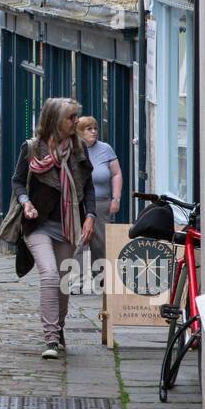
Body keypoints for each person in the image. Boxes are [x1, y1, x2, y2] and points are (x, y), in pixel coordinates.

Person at [11, 97, 96, 359]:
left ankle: (59, 328)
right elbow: (17, 182)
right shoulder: (32, 148)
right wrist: (25, 203)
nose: (75, 122)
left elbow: (89, 186)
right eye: (71, 118)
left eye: (75, 117)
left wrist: (90, 215)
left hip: (68, 226)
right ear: (55, 120)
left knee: (63, 283)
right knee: (48, 275)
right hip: (38, 224)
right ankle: (50, 338)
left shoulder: (79, 149)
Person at [76, 117, 122, 294]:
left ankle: (101, 280)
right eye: (88, 128)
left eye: (95, 128)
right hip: (78, 205)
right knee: (79, 242)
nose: (94, 131)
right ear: (79, 131)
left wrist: (115, 199)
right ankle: (76, 281)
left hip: (102, 203)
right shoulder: (74, 149)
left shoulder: (105, 149)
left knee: (100, 244)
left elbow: (116, 174)